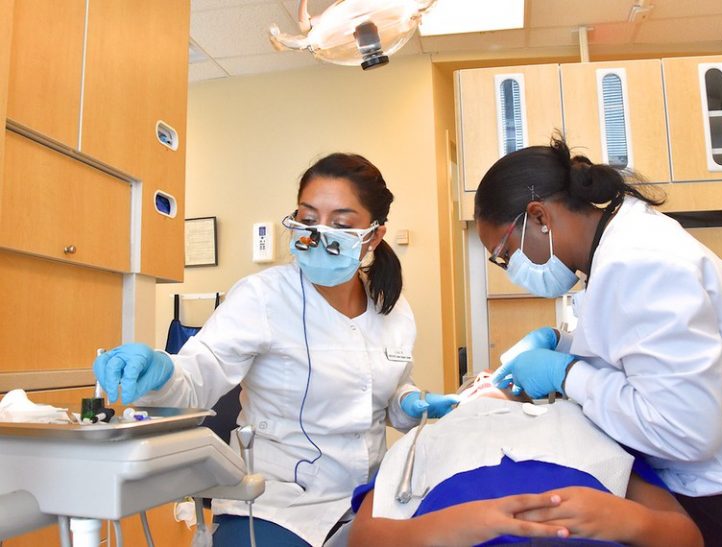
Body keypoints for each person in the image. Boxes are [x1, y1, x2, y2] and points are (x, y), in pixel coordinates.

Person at [93, 153, 459, 547]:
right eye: (307, 219)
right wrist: (162, 370)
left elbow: (385, 394)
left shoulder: (392, 307)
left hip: (367, 500)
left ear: (373, 235)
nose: (319, 233)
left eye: (339, 224)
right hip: (274, 502)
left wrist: (412, 403)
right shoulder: (263, 296)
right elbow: (201, 372)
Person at [474, 136, 722, 545]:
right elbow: (635, 342)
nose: (510, 269)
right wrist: (560, 343)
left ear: (539, 217)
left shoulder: (638, 261)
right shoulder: (617, 245)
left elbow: (686, 432)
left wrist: (566, 374)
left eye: (505, 254)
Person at [348, 372, 703, 547]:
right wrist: (448, 527)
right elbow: (364, 539)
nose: (487, 379)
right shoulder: (422, 439)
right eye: (476, 381)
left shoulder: (583, 423)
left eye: (501, 376)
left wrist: (627, 520)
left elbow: (687, 537)